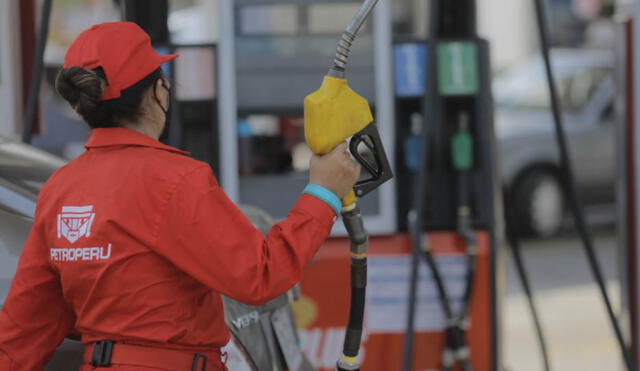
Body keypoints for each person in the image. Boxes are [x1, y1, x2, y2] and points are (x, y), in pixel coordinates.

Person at [0, 22, 360, 371]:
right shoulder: (174, 179)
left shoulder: (60, 190)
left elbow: (22, 333)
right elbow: (261, 275)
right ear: (158, 91)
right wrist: (322, 192)